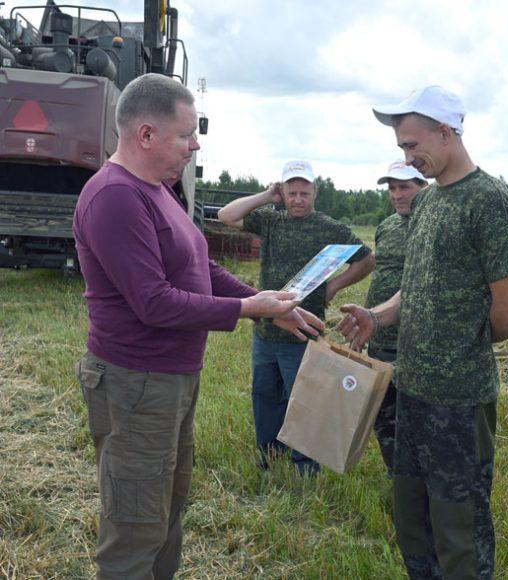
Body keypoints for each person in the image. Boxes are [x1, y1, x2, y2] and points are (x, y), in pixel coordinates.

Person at [73, 73, 323, 579]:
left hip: (169, 379)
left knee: (166, 509)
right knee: (135, 524)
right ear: (146, 135)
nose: (195, 145)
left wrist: (266, 302)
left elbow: (199, 266)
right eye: (186, 134)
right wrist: (248, 309)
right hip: (136, 382)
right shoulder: (115, 197)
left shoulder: (158, 190)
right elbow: (154, 303)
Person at [338, 86, 508, 579]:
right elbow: (418, 285)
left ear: (446, 132)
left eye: (411, 145)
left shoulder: (488, 201)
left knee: (458, 530)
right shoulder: (428, 202)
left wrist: (455, 346)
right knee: (413, 522)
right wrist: (378, 316)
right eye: (402, 147)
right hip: (411, 389)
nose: (407, 158)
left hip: (458, 401)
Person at [217, 160, 375, 474]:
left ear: (315, 192)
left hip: (303, 333)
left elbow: (366, 260)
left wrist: (334, 286)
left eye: (304, 193)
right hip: (266, 329)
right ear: (283, 192)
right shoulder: (270, 220)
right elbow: (226, 215)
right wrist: (266, 196)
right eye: (291, 193)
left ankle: (305, 467)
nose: (298, 199)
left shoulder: (329, 228)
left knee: (304, 399)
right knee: (265, 395)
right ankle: (270, 456)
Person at [365, 160, 427, 472]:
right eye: (392, 188)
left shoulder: (431, 226)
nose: (396, 194)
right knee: (383, 415)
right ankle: (397, 476)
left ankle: (418, 481)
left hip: (413, 343)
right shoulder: (387, 227)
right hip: (379, 338)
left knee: (416, 420)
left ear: (424, 187)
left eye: (404, 187)